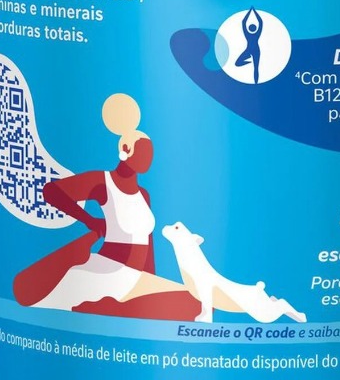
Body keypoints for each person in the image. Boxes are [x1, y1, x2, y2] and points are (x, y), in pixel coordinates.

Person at [12, 93, 202, 320]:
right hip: (108, 269)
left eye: (150, 153)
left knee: (199, 303)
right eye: (143, 151)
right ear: (126, 149)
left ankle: (111, 307)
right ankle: (98, 305)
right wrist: (89, 220)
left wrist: (150, 285)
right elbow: (52, 192)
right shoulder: (103, 182)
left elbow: (148, 244)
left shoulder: (144, 194)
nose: (148, 159)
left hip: (135, 276)